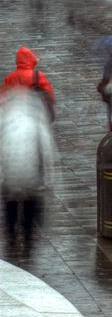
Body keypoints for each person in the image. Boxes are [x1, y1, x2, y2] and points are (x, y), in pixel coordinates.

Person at [0, 88, 56, 263]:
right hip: (31, 176)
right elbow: (48, 153)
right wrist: (50, 180)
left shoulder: (4, 121)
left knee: (10, 207)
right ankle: (28, 239)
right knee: (30, 207)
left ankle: (11, 239)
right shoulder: (36, 123)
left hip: (9, 176)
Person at [3, 46, 55, 122]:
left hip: (16, 109)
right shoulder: (37, 75)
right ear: (32, 59)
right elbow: (48, 91)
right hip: (34, 107)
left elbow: (4, 93)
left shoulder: (10, 77)